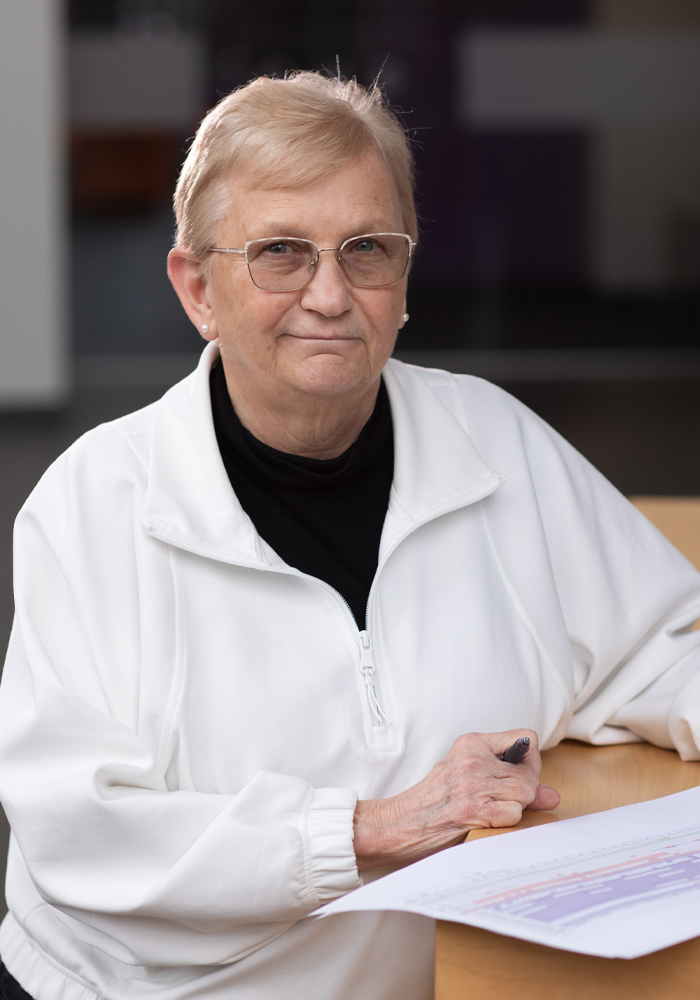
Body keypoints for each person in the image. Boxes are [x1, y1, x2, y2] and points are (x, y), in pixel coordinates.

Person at [0, 71, 699, 1000]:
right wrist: (371, 827)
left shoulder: (494, 440)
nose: (330, 295)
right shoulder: (92, 503)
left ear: (403, 278)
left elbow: (666, 649)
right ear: (196, 287)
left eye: (366, 248)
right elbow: (80, 830)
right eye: (281, 253)